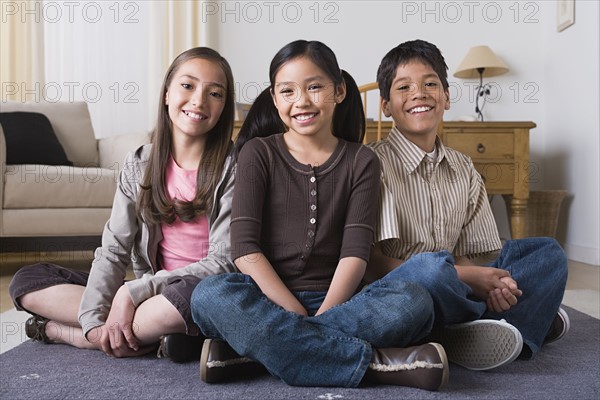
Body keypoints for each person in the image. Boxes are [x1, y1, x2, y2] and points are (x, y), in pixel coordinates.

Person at [190, 40, 449, 391]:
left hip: (345, 302)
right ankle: (377, 365)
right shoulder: (257, 153)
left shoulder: (362, 161)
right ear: (275, 97)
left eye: (314, 87)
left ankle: (254, 354)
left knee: (415, 301)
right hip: (267, 299)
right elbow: (246, 251)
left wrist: (322, 317)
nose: (302, 101)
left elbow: (355, 254)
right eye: (288, 91)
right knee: (209, 295)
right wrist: (292, 313)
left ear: (339, 91)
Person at [9, 47, 237, 362]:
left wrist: (133, 292)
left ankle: (60, 332)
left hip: (199, 290)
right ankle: (127, 334)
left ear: (224, 108)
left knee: (187, 301)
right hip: (150, 291)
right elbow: (114, 249)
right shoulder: (140, 162)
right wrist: (93, 321)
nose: (199, 100)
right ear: (167, 93)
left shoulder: (234, 167)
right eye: (188, 85)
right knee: (27, 281)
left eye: (215, 93)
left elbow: (224, 262)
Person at [366, 39, 569, 370]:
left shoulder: (463, 168)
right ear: (386, 105)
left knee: (547, 252)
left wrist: (485, 278)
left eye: (430, 83)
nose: (418, 93)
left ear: (446, 98)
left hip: (455, 284)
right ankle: (518, 323)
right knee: (431, 271)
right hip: (402, 290)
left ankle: (481, 329)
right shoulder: (371, 164)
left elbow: (466, 253)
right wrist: (468, 277)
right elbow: (372, 265)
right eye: (404, 87)